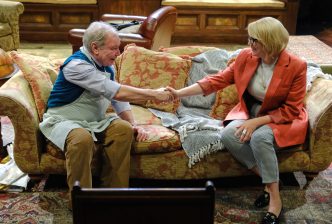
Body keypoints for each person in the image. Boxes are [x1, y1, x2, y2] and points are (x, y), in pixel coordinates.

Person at [167, 17, 307, 224]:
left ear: (269, 42)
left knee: (259, 138)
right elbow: (217, 80)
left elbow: (291, 109)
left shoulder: (296, 66)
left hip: (282, 117)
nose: (249, 44)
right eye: (249, 39)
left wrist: (255, 123)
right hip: (251, 113)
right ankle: (269, 182)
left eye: (254, 40)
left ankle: (275, 200)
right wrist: (178, 93)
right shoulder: (246, 57)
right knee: (228, 135)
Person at [39, 21, 172, 206]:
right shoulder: (76, 66)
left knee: (123, 130)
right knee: (81, 139)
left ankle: (114, 195)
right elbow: (116, 91)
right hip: (65, 120)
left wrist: (133, 124)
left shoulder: (106, 65)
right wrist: (153, 94)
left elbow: (118, 99)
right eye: (114, 48)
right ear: (95, 48)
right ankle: (82, 202)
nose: (118, 54)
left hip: (95, 121)